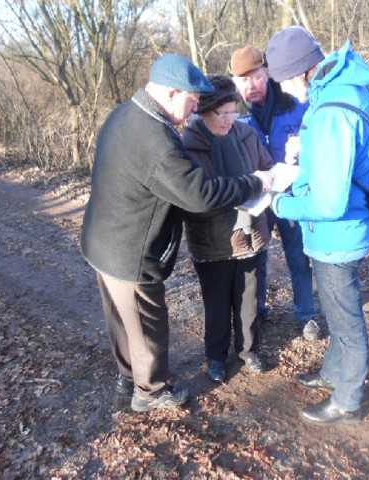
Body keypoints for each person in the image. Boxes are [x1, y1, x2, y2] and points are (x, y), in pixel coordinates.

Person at [80, 54, 272, 413]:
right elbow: (199, 194)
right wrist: (254, 183)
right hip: (128, 249)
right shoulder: (154, 138)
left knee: (122, 320)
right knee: (145, 323)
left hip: (102, 240)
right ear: (171, 93)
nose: (197, 107)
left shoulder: (126, 114)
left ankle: (128, 375)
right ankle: (149, 391)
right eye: (192, 100)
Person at [265, 26, 369, 425]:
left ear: (302, 70)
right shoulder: (347, 87)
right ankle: (333, 372)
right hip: (349, 225)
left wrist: (281, 203)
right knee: (335, 311)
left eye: (283, 80)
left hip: (338, 233)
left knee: (346, 321)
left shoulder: (332, 109)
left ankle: (348, 400)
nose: (284, 90)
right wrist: (305, 157)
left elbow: (330, 202)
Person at [182, 75, 274, 383]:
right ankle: (216, 358)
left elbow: (266, 168)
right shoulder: (188, 146)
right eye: (222, 113)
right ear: (202, 112)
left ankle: (248, 350)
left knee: (249, 299)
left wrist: (273, 179)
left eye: (233, 111)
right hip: (212, 238)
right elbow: (194, 194)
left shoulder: (247, 134)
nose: (229, 120)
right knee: (217, 303)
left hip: (251, 233)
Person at [229, 46, 319, 341]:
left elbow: (317, 144)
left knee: (298, 256)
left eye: (255, 77)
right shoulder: (234, 115)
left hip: (293, 194)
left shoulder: (296, 104)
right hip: (257, 198)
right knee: (257, 257)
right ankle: (259, 310)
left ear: (267, 73)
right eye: (242, 80)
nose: (249, 86)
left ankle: (306, 313)